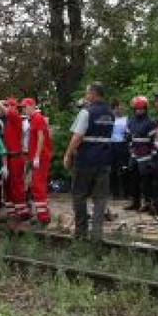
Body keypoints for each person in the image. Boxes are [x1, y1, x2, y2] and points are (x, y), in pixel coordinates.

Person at [63, 82, 114, 239]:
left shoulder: (86, 112)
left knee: (79, 195)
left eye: (87, 93)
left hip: (85, 160)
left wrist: (68, 154)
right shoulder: (110, 113)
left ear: (93, 93)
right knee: (100, 198)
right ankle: (97, 235)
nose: (86, 96)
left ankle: (80, 233)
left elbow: (77, 136)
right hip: (104, 160)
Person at [0, 97, 30, 221]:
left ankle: (22, 213)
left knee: (16, 185)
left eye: (9, 106)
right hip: (10, 157)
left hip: (15, 157)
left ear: (14, 108)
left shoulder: (15, 117)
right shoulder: (9, 122)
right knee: (8, 186)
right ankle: (12, 212)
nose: (7, 108)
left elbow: (1, 107)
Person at [22, 98, 52, 227]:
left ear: (32, 106)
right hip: (37, 157)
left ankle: (43, 218)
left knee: (38, 186)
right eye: (22, 107)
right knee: (36, 186)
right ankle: (43, 215)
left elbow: (41, 137)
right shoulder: (34, 119)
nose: (23, 109)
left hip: (41, 158)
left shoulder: (37, 118)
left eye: (25, 107)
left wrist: (37, 156)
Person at [124, 96, 156, 212]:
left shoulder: (150, 122)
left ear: (145, 109)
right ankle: (135, 202)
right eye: (137, 109)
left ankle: (148, 203)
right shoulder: (131, 121)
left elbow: (154, 141)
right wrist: (129, 144)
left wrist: (153, 157)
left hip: (146, 156)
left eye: (141, 109)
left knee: (146, 180)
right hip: (134, 155)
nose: (139, 111)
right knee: (133, 178)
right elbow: (127, 136)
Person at [109, 99, 130, 199]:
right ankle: (115, 193)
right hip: (111, 145)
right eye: (120, 107)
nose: (122, 109)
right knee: (112, 170)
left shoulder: (126, 119)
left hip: (122, 145)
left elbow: (129, 132)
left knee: (124, 169)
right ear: (115, 107)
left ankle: (126, 193)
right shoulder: (109, 119)